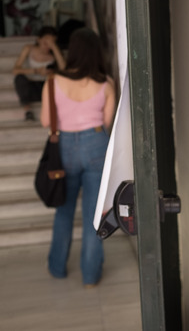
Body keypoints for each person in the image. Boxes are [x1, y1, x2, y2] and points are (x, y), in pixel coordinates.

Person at [40, 28, 116, 287]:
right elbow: (107, 122)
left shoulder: (53, 81)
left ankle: (57, 267)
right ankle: (90, 275)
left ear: (71, 52)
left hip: (64, 146)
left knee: (64, 211)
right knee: (95, 214)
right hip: (96, 143)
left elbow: (45, 121)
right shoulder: (106, 83)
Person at [12, 26, 65, 121]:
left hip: (46, 86)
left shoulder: (54, 54)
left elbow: (64, 69)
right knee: (19, 78)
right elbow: (15, 70)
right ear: (38, 40)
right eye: (45, 42)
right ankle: (28, 110)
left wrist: (54, 48)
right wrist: (36, 70)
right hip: (31, 85)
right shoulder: (29, 48)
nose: (47, 46)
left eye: (51, 43)